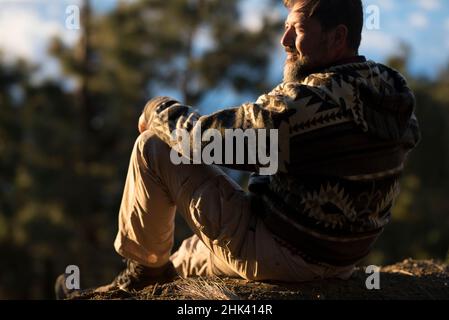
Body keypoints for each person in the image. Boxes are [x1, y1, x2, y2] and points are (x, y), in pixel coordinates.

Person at [64, 0, 422, 295]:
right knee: (188, 256)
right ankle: (144, 276)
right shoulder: (390, 93)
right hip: (341, 258)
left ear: (337, 37)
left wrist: (157, 110)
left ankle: (140, 276)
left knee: (154, 147)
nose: (283, 40)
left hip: (283, 253)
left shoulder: (309, 103)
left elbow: (207, 141)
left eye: (296, 30)